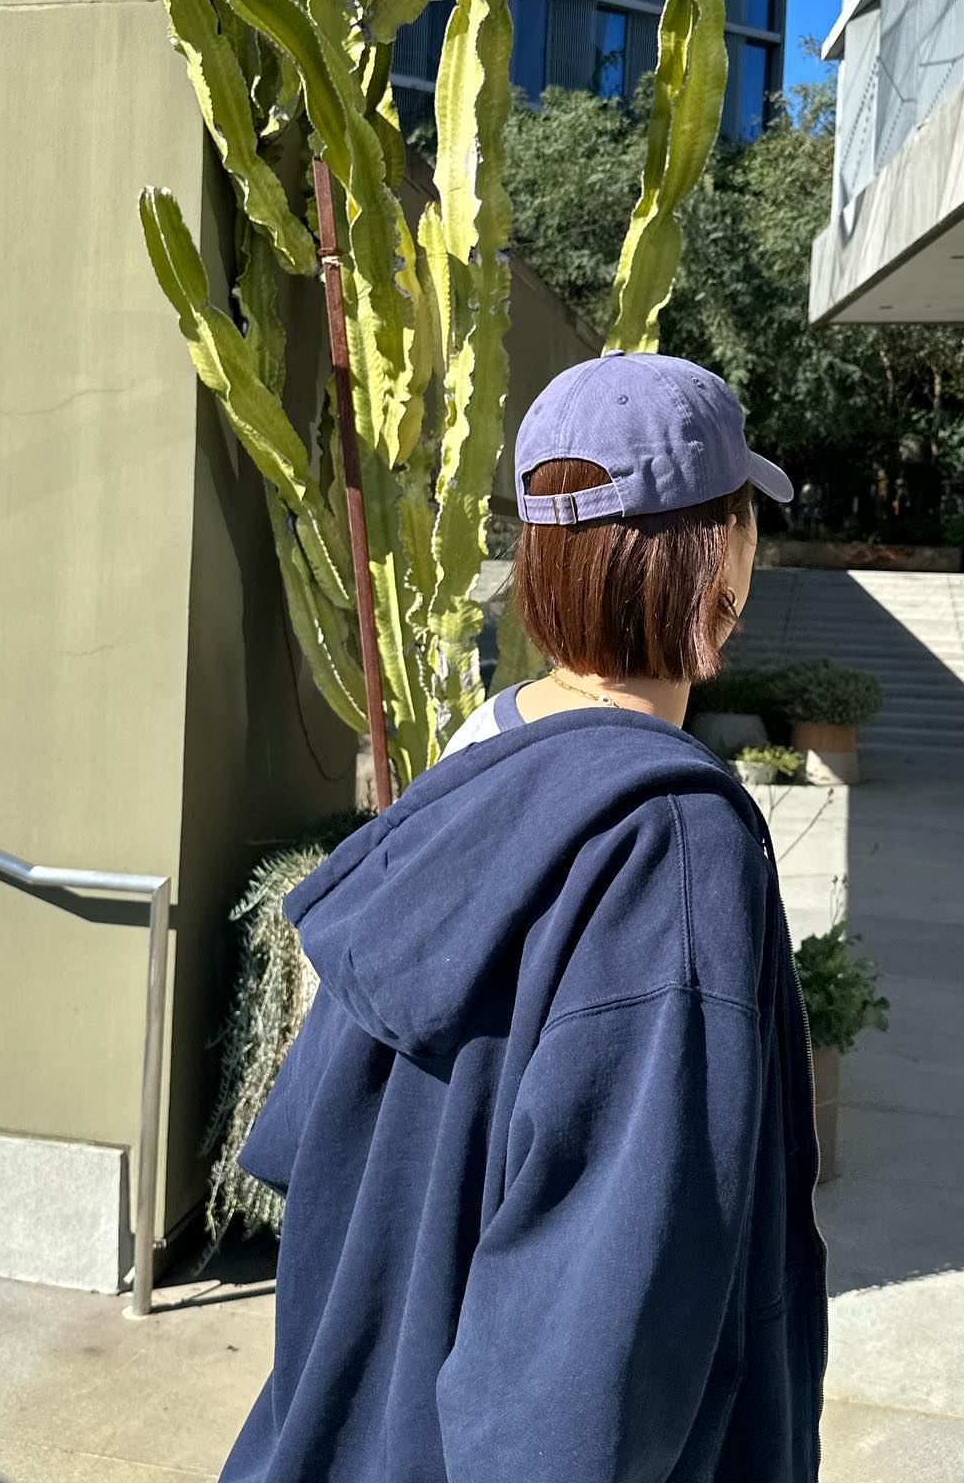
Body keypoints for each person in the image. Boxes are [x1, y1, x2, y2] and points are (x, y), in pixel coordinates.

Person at [221, 352, 828, 1483]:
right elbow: (604, 1320)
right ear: (716, 551)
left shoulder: (479, 753)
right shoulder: (670, 842)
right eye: (744, 515)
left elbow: (314, 1136)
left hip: (361, 1427)